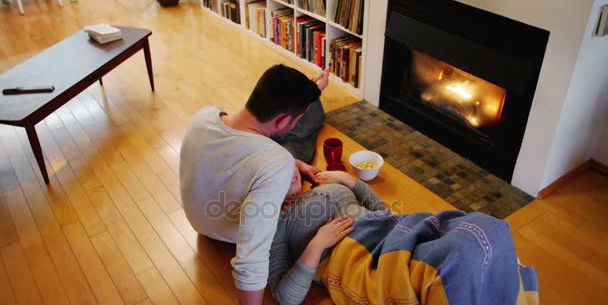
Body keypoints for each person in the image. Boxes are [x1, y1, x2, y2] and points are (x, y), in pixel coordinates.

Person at [268, 170, 540, 305]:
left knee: (489, 228)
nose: (290, 167)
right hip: (357, 256)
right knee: (460, 258)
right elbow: (284, 295)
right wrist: (317, 244)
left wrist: (349, 181)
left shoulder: (321, 185)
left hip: (392, 231)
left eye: (289, 162)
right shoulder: (276, 229)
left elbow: (380, 211)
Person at [179, 64, 329, 304]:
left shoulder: (205, 115)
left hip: (199, 220)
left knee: (291, 146)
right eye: (293, 118)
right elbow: (252, 255)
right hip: (225, 230)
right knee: (299, 135)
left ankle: (311, 99)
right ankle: (312, 107)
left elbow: (232, 156)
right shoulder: (276, 161)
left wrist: (293, 164)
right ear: (282, 120)